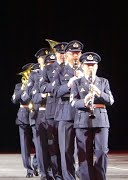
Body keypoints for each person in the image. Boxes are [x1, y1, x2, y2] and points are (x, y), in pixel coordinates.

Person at [70, 52, 114, 180]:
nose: (91, 68)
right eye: (88, 65)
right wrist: (85, 100)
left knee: (102, 151)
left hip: (101, 119)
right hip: (83, 119)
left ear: (97, 66)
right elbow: (73, 102)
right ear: (82, 66)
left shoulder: (103, 82)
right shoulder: (77, 83)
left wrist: (99, 92)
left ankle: (100, 177)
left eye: (93, 65)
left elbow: (111, 100)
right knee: (84, 152)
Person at [52, 40, 84, 180]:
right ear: (67, 55)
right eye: (73, 53)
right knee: (66, 150)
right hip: (65, 114)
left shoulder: (86, 69)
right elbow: (55, 91)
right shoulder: (60, 70)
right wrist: (70, 84)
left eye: (78, 53)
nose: (76, 56)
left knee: (83, 149)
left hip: (82, 113)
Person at [38, 42, 69, 180]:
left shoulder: (71, 68)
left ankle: (68, 173)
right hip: (52, 111)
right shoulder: (48, 68)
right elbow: (42, 87)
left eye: (64, 53)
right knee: (54, 145)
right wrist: (55, 87)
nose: (62, 56)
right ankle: (57, 174)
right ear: (55, 54)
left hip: (68, 110)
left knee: (67, 146)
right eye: (59, 53)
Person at [25, 47, 54, 180]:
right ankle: (44, 173)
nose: (47, 60)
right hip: (40, 113)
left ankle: (55, 171)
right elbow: (31, 94)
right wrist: (43, 95)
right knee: (41, 146)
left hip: (54, 112)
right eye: (44, 58)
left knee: (54, 145)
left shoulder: (56, 73)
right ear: (39, 60)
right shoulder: (34, 74)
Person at [12, 62, 39, 178]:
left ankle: (37, 165)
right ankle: (28, 169)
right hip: (23, 116)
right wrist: (23, 88)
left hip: (36, 115)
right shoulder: (19, 86)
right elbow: (15, 100)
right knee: (24, 145)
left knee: (38, 143)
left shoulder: (38, 84)